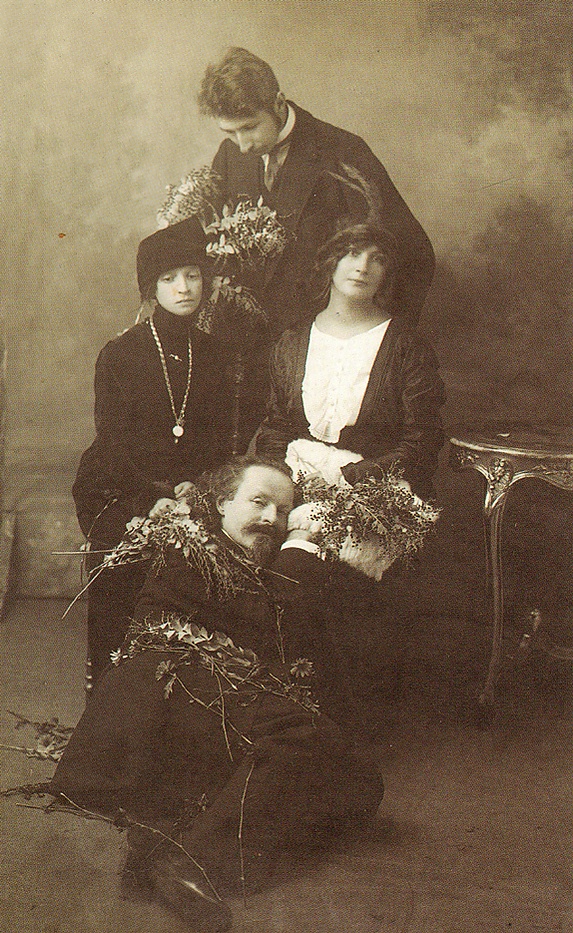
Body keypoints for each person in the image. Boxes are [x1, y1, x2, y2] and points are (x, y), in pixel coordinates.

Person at [51, 457, 384, 932]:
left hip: (217, 693)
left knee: (359, 783)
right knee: (303, 741)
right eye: (258, 502)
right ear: (223, 503)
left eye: (283, 511)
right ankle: (189, 862)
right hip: (166, 694)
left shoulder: (254, 562)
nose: (270, 518)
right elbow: (266, 623)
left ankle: (165, 840)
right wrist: (297, 552)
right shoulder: (190, 547)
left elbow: (291, 648)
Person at [72, 216, 232, 683]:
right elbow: (113, 440)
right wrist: (152, 496)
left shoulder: (216, 353)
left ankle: (184, 690)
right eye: (169, 278)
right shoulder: (121, 353)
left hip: (194, 489)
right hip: (122, 486)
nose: (184, 288)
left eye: (192, 275)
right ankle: (110, 686)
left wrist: (197, 486)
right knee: (123, 559)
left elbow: (220, 438)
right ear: (152, 289)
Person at [198, 47, 435, 337]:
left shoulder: (343, 151)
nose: (242, 145)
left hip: (323, 339)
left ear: (278, 103)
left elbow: (414, 254)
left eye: (250, 127)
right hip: (249, 341)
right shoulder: (229, 154)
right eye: (230, 132)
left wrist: (378, 340)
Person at [255, 223, 446, 501]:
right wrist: (287, 482)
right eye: (353, 253)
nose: (363, 267)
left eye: (377, 259)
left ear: (386, 274)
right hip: (293, 487)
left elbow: (421, 443)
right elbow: (276, 429)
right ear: (331, 261)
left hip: (374, 494)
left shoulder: (407, 346)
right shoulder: (292, 342)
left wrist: (346, 478)